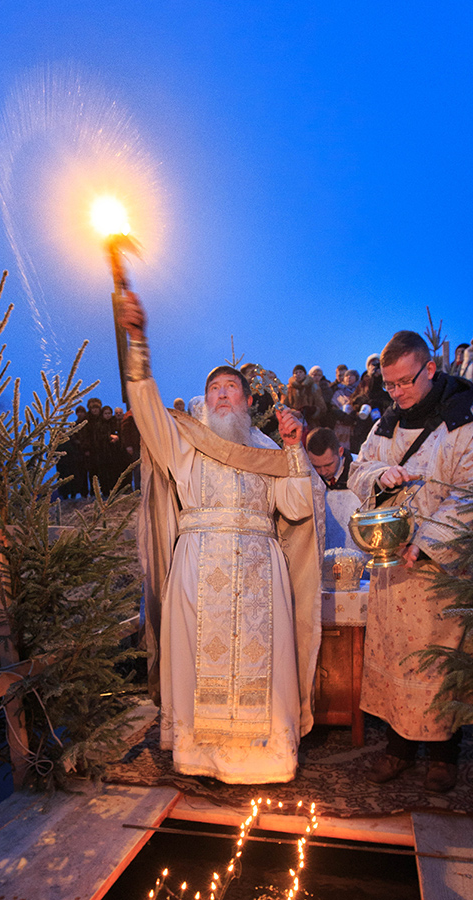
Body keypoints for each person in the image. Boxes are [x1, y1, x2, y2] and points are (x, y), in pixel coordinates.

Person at [120, 291, 324, 784]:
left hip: (260, 571)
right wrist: (138, 342)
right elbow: (145, 407)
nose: (223, 394)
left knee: (264, 664)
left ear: (249, 402)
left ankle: (266, 757)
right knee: (198, 662)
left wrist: (296, 452)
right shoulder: (185, 440)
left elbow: (296, 508)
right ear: (205, 400)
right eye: (215, 388)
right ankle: (200, 756)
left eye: (232, 388)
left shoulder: (270, 448)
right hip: (198, 566)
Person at [348, 330, 473, 793]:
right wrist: (380, 473)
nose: (396, 393)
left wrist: (428, 542)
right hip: (394, 571)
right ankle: (398, 747)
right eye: (389, 385)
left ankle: (443, 754)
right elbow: (358, 471)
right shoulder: (386, 424)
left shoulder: (471, 423)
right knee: (399, 658)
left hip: (442, 570)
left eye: (405, 383)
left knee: (441, 661)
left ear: (430, 369)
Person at [306, 427, 360, 551]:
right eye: (317, 466)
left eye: (328, 464)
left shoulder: (360, 469)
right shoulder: (308, 476)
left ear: (340, 452)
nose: (323, 472)